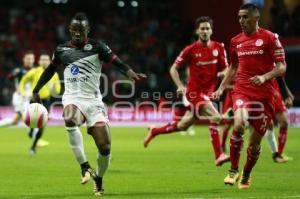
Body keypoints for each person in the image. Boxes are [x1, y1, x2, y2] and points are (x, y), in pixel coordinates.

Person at [31, 12, 146, 196]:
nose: (77, 33)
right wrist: (36, 90)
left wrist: (129, 72)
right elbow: (49, 70)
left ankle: (98, 177)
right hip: (72, 99)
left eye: (81, 30)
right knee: (69, 118)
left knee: (105, 148)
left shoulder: (98, 47)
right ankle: (84, 166)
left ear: (88, 30)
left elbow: (117, 62)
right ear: (70, 30)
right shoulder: (61, 50)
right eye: (74, 30)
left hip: (94, 102)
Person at [212, 3, 287, 189]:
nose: (241, 21)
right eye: (239, 17)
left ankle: (246, 174)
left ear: (256, 18)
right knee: (238, 125)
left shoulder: (270, 38)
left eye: (245, 17)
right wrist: (221, 88)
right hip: (242, 90)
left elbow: (282, 67)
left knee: (253, 146)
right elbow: (233, 67)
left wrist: (264, 77)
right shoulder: (235, 40)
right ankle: (233, 170)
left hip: (265, 96)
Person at [144, 16, 230, 166]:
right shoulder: (190, 50)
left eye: (207, 28)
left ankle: (155, 131)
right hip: (194, 92)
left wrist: (222, 81)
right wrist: (179, 85)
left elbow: (226, 69)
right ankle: (219, 155)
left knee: (183, 125)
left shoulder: (219, 48)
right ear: (197, 31)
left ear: (211, 30)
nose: (205, 31)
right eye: (202, 28)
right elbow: (173, 69)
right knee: (215, 117)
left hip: (208, 92)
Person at [19, 53, 61, 155]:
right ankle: (31, 130)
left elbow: (58, 91)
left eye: (46, 59)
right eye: (42, 59)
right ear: (39, 61)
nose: (44, 61)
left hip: (46, 101)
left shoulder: (54, 74)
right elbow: (23, 81)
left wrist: (53, 89)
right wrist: (22, 91)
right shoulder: (34, 71)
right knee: (32, 121)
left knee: (42, 125)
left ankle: (33, 146)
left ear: (50, 61)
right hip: (34, 100)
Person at [265, 78, 294, 163]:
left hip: (276, 94)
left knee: (284, 123)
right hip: (264, 93)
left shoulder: (280, 64)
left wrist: (287, 94)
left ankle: (278, 154)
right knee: (267, 125)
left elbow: (281, 79)